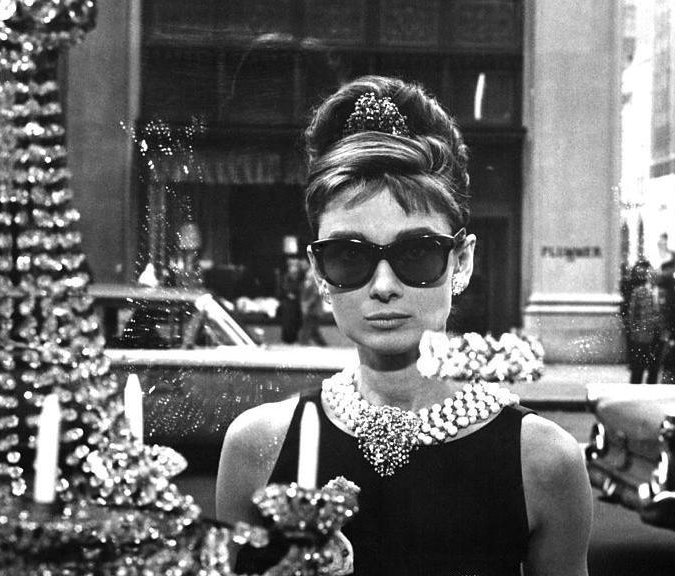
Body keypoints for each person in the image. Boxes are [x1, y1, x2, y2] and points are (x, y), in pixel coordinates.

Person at [216, 76, 592, 576]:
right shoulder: (256, 445)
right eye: (349, 257)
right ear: (318, 273)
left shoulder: (544, 460)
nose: (384, 285)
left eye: (417, 252)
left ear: (461, 262)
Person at [623, 260, 663, 384]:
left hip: (658, 334)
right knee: (638, 367)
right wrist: (634, 331)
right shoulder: (638, 292)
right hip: (641, 335)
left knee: (654, 368)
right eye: (651, 275)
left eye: (656, 275)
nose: (653, 277)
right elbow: (632, 314)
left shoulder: (663, 293)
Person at [278, 253, 309, 343]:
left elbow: (302, 288)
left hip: (296, 304)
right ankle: (287, 339)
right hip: (288, 304)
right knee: (288, 322)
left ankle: (293, 338)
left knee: (295, 322)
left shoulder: (300, 276)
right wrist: (288, 293)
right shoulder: (286, 277)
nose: (294, 268)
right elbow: (283, 288)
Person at [297, 268, 328, 346]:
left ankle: (303, 343)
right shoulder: (306, 284)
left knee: (307, 328)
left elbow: (314, 297)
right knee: (313, 330)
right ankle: (323, 345)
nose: (309, 275)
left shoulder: (315, 285)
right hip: (309, 310)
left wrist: (306, 305)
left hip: (314, 311)